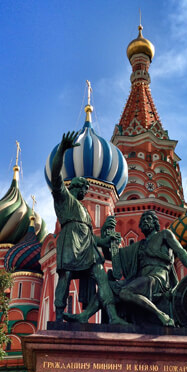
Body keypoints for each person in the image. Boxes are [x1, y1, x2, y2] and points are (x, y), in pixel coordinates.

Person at [48, 131, 125, 325]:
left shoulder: (83, 212)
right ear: (75, 187)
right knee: (65, 279)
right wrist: (62, 151)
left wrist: (105, 241)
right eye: (83, 188)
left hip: (87, 250)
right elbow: (56, 175)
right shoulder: (64, 199)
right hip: (69, 245)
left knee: (102, 276)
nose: (85, 192)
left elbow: (90, 237)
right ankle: (58, 315)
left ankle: (113, 316)